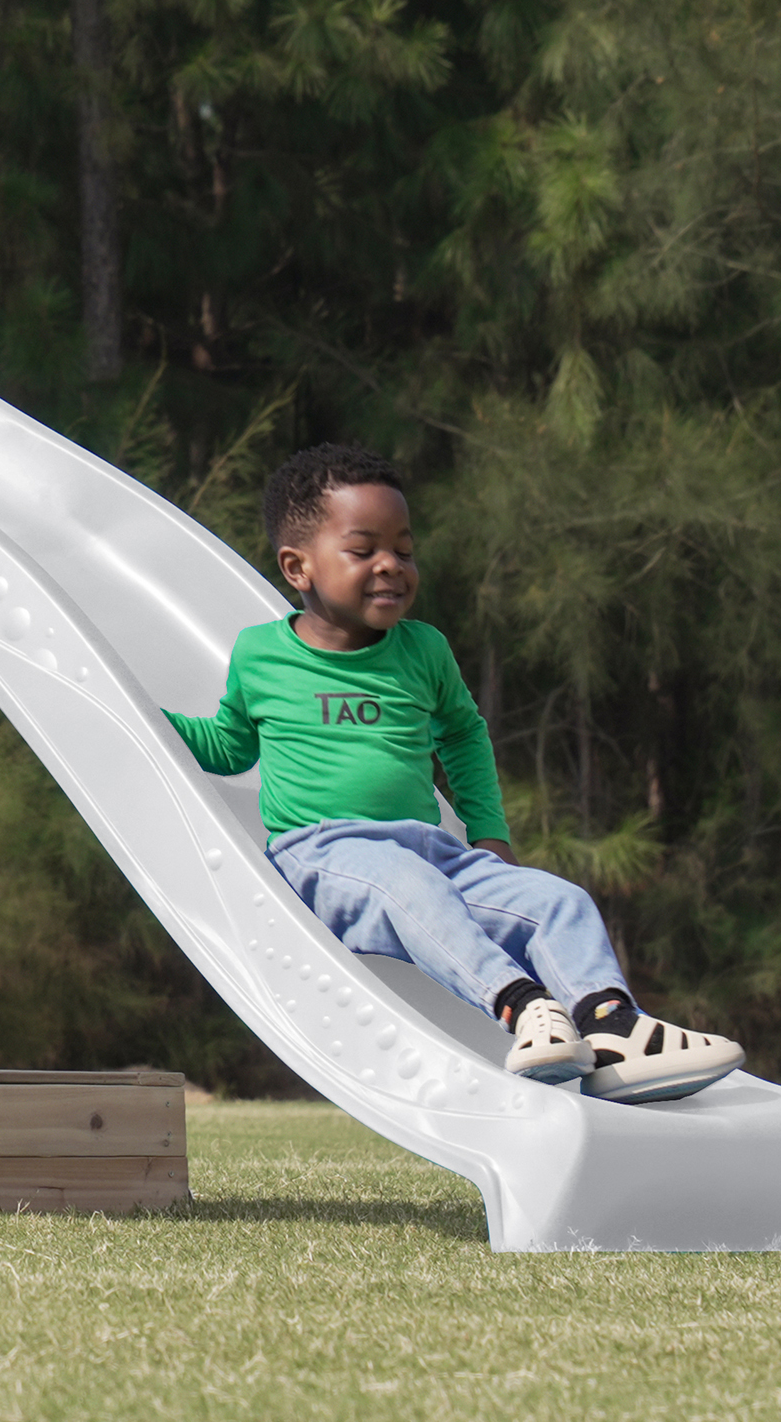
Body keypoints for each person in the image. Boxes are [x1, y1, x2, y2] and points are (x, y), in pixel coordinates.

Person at [168, 443, 742, 1104]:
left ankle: (612, 1029)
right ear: (298, 567)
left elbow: (464, 736)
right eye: (364, 550)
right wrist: (143, 714)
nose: (392, 566)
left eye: (404, 550)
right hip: (322, 854)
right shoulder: (261, 654)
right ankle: (525, 1008)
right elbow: (229, 746)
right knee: (407, 884)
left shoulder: (423, 649)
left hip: (431, 848)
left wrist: (487, 832)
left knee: (558, 902)